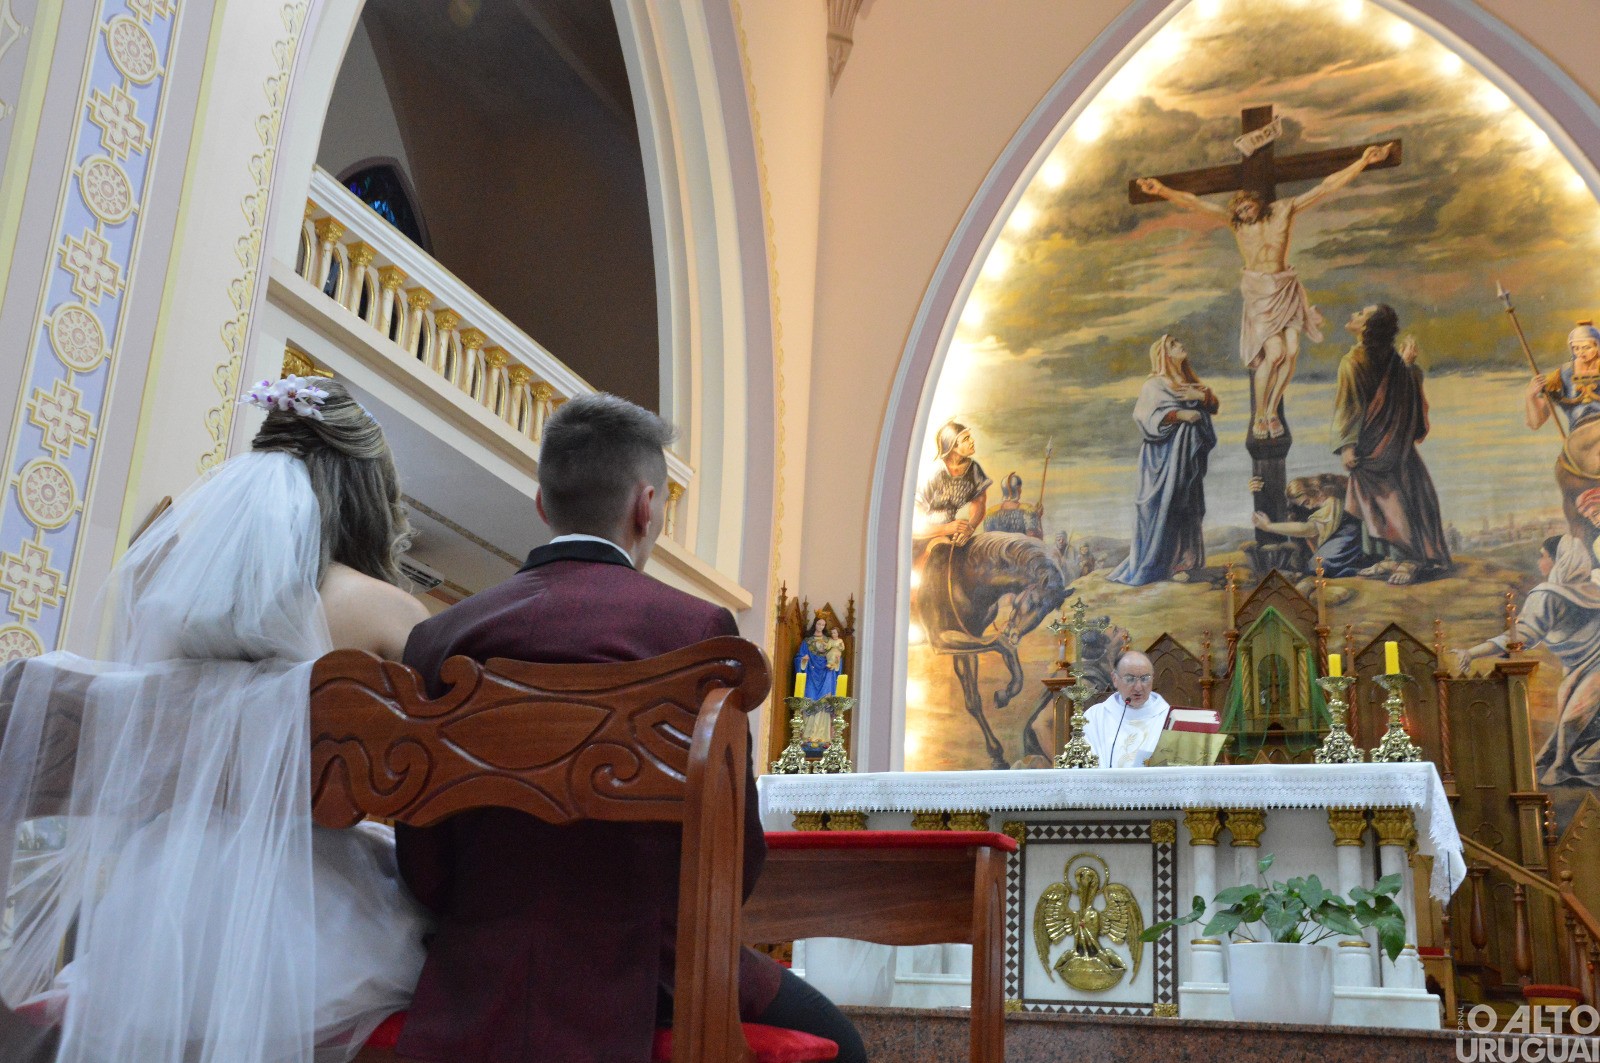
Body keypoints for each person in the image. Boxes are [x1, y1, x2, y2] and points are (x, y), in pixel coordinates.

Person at [394, 394, 864, 1063]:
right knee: (840, 1044)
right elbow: (734, 859)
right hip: (651, 970)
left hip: (477, 967)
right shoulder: (694, 633)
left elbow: (424, 859)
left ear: (541, 503)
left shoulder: (437, 636)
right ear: (647, 506)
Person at [0, 377, 432, 1063]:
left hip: (158, 922)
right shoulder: (385, 610)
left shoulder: (185, 603)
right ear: (365, 492)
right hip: (307, 925)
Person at [1137, 143, 1394, 439]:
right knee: (1274, 353)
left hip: (1285, 286)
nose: (1243, 212)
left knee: (1293, 350)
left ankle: (1272, 410)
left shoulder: (1284, 210)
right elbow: (1195, 203)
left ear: (1257, 202)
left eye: (1247, 206)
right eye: (1239, 210)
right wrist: (1162, 191)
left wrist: (1362, 162)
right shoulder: (1238, 227)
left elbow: (1326, 187)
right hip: (1260, 292)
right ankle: (1259, 414)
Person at [1452, 535, 1600, 788]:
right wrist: (1473, 652)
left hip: (1595, 669)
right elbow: (1521, 637)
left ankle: (1574, 771)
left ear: (1558, 560)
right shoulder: (1581, 591)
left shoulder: (1552, 594)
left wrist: (1472, 652)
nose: (1540, 561)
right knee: (1574, 729)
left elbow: (1521, 636)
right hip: (1579, 671)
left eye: (1543, 555)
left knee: (1573, 723)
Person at [1331, 304, 1452, 585]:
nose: (1353, 314)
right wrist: (1406, 367)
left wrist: (1347, 445)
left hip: (1384, 446)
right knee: (1379, 499)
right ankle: (1390, 558)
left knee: (1392, 499)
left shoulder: (1356, 362)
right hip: (1383, 444)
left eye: (1361, 313)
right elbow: (1357, 404)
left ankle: (1411, 558)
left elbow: (1347, 407)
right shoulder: (1375, 360)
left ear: (1368, 328)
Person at [1108, 335, 1219, 586]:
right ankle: (1161, 565)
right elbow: (1144, 416)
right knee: (1163, 507)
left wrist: (1201, 399)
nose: (1181, 345)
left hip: (1186, 457)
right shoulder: (1154, 385)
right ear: (1164, 355)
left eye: (1179, 342)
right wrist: (1179, 413)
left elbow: (1212, 405)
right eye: (1173, 344)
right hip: (1161, 459)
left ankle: (1185, 562)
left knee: (1188, 504)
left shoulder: (1189, 383)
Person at [1526, 323, 1600, 550]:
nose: (1581, 353)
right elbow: (1535, 422)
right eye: (1576, 348)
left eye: (1586, 347)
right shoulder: (1563, 374)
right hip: (1578, 439)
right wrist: (1530, 395)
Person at [1251, 473, 1370, 578]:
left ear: (1312, 491)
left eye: (1306, 502)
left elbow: (1309, 529)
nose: (1308, 507)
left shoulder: (1332, 500)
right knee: (1314, 565)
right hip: (1340, 536)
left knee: (1319, 566)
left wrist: (1268, 526)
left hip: (1349, 537)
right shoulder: (1320, 498)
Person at [1083, 651, 1172, 768]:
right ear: (1115, 679)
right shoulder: (1095, 717)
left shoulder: (1168, 716)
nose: (1138, 687)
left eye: (1145, 678)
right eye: (1130, 679)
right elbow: (1084, 765)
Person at [914, 420, 991, 553]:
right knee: (942, 547)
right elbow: (914, 525)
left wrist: (969, 528)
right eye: (966, 439)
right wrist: (947, 528)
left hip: (953, 532)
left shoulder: (973, 469)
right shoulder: (935, 472)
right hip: (926, 535)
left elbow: (979, 502)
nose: (972, 441)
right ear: (952, 446)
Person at [794, 615, 842, 699]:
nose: (820, 626)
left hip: (827, 672)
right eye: (819, 624)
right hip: (811, 673)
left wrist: (837, 661)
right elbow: (799, 657)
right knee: (809, 694)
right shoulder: (807, 641)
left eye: (823, 625)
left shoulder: (829, 641)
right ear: (814, 624)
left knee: (826, 699)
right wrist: (803, 660)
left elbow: (836, 654)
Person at [984, 471, 1044, 537]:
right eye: (1020, 488)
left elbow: (988, 538)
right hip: (1021, 547)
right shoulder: (1028, 510)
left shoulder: (991, 512)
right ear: (1018, 490)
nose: (1020, 490)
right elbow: (1034, 539)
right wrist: (1037, 518)